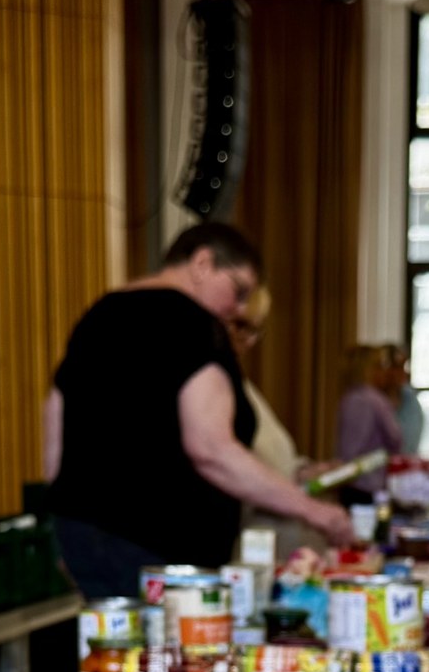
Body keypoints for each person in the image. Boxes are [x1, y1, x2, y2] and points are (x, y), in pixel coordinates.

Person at [42, 223, 351, 597]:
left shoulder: (100, 313)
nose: (237, 308)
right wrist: (314, 511)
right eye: (238, 291)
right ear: (202, 263)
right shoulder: (194, 323)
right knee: (168, 655)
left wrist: (64, 523)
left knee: (116, 652)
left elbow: (56, 422)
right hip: (160, 550)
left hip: (84, 537)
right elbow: (211, 450)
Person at [228, 286, 309, 561]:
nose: (248, 340)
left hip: (266, 544)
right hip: (240, 547)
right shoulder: (213, 385)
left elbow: (267, 455)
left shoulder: (237, 381)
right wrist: (312, 510)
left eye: (255, 330)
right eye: (240, 326)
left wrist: (300, 470)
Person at [334, 345, 403, 484]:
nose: (384, 371)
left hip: (348, 478)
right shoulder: (373, 400)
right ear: (367, 369)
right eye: (379, 366)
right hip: (369, 482)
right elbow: (396, 439)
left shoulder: (349, 398)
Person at [380, 344, 425, 457]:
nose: (401, 372)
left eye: (402, 367)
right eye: (394, 367)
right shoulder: (370, 402)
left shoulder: (410, 400)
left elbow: (410, 445)